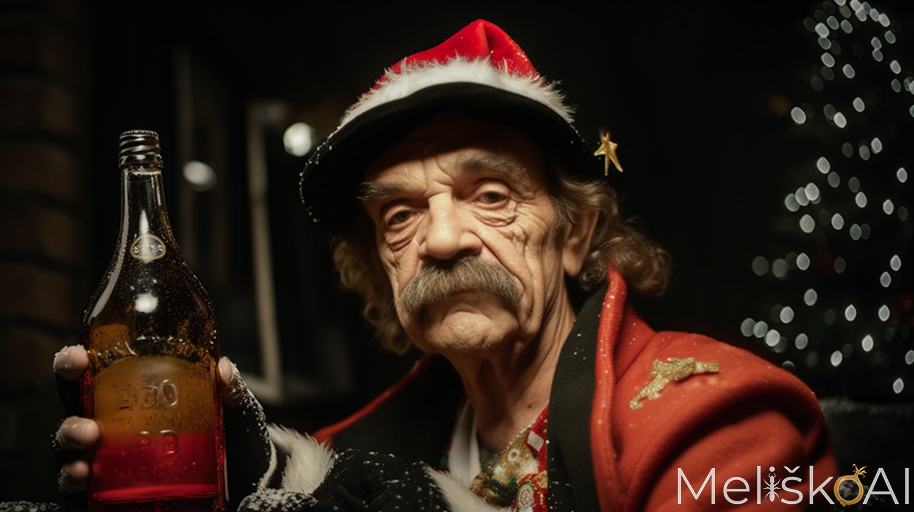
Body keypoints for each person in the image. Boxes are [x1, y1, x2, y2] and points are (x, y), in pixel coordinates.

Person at [49, 19, 837, 512]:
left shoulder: (720, 420)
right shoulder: (342, 460)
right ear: (379, 266)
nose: (443, 239)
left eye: (490, 195)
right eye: (399, 215)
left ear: (575, 235)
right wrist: (239, 480)